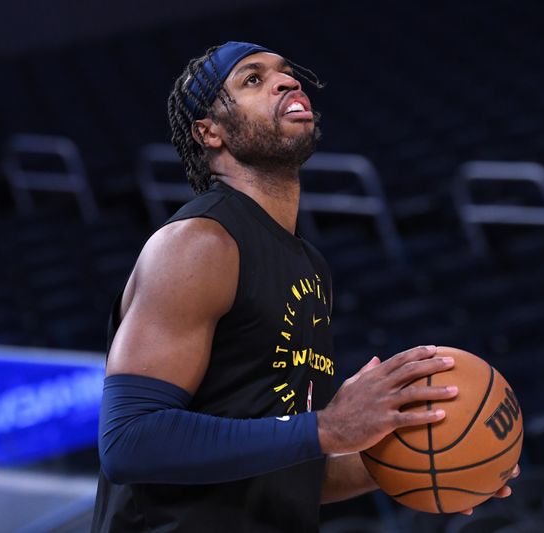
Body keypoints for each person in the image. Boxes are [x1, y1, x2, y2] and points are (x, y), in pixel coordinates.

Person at [91, 41, 516, 532]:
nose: (288, 81)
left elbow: (283, 476)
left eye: (287, 72)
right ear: (209, 132)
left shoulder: (309, 264)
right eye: (252, 78)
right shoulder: (199, 243)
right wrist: (327, 429)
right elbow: (129, 441)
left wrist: (442, 457)